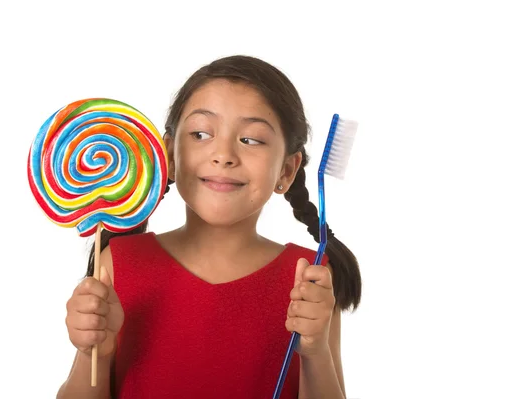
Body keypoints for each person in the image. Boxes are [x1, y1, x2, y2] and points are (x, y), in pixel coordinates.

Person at [56, 55, 362, 399]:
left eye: (251, 139)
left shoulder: (310, 278)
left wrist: (314, 351)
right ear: (169, 155)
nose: (223, 154)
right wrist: (92, 351)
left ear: (287, 171)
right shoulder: (117, 263)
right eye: (201, 134)